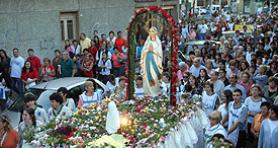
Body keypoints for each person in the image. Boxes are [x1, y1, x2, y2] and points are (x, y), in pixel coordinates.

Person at [140, 27, 163, 97]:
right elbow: (143, 51)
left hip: (155, 61)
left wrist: (153, 50)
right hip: (147, 61)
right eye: (150, 31)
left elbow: (160, 53)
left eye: (153, 31)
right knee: (147, 78)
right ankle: (148, 93)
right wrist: (147, 50)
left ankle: (155, 92)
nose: (151, 33)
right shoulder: (147, 42)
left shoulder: (158, 42)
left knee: (155, 77)